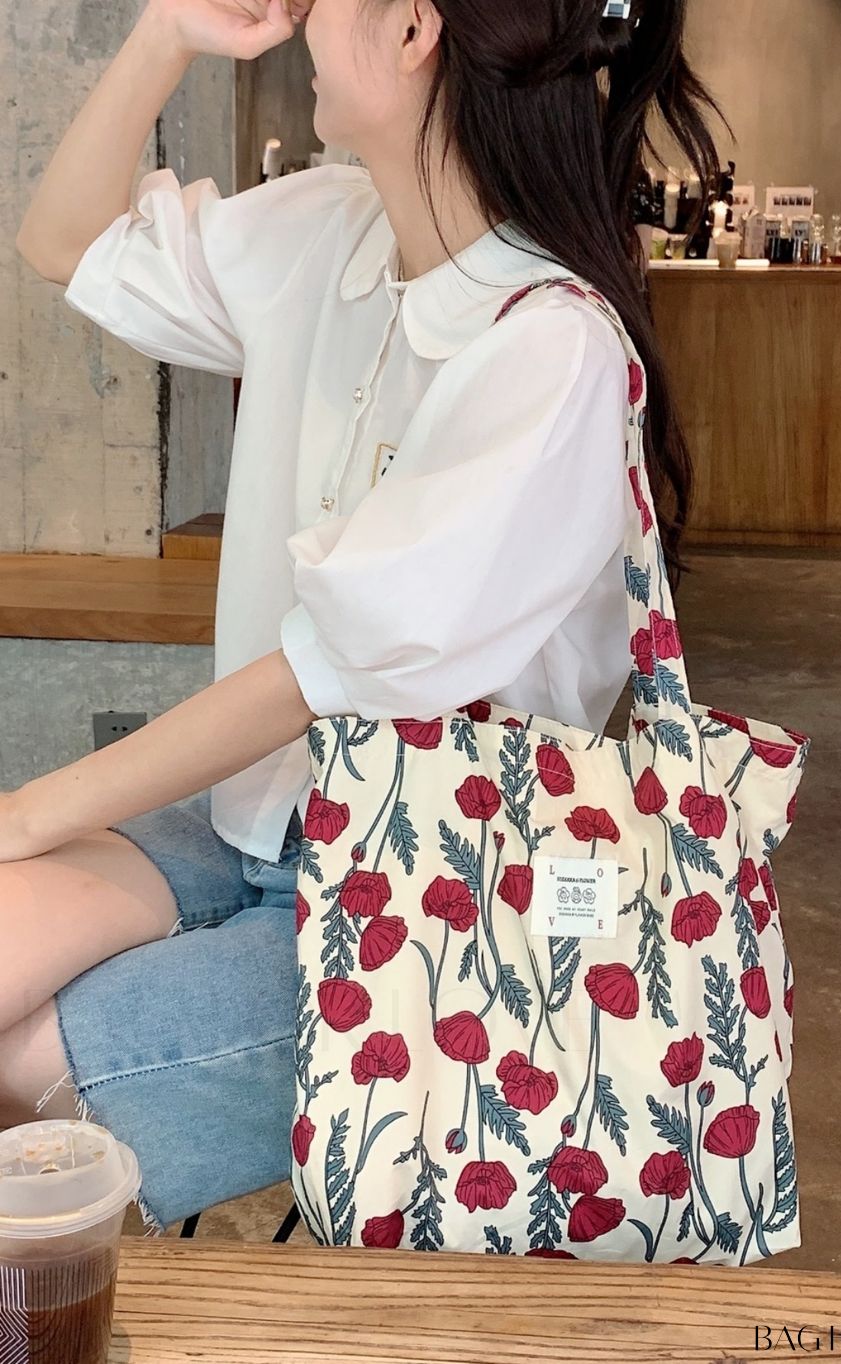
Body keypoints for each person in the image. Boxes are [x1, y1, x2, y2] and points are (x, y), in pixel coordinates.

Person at [5, 0, 718, 1235]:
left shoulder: (549, 350)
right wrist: (165, 30)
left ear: (410, 30)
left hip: (435, 889)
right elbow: (64, 242)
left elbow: (314, 672)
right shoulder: (327, 232)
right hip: (253, 822)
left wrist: (30, 808)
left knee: (25, 1060)